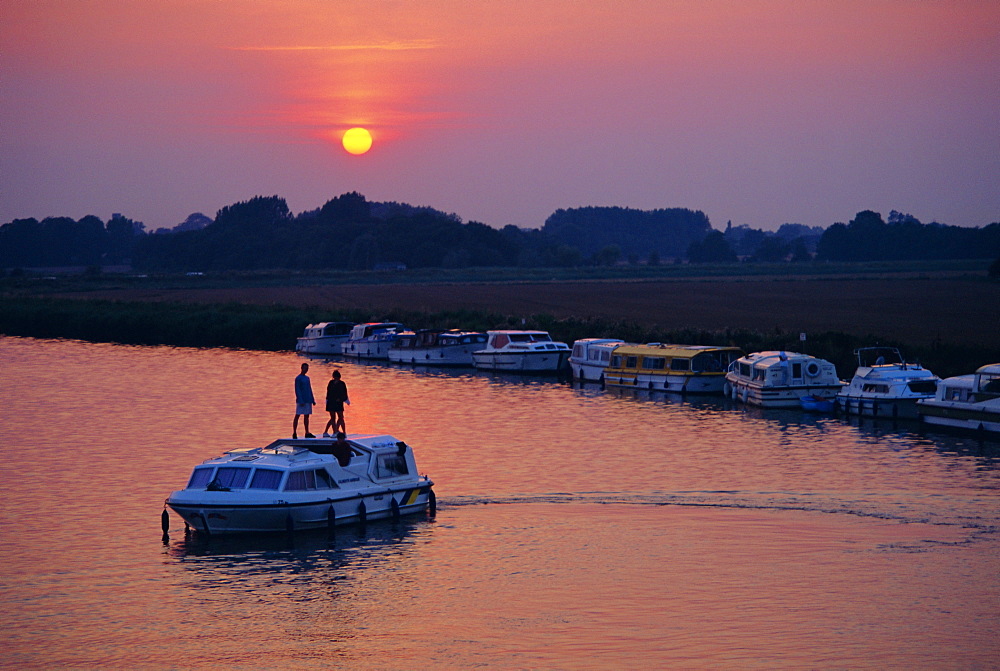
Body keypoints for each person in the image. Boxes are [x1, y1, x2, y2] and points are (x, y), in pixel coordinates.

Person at [323, 369, 351, 436]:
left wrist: (345, 399)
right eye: (335, 377)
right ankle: (334, 431)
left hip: (339, 402)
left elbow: (344, 393)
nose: (336, 379)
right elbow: (328, 393)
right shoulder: (331, 383)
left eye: (337, 377)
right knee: (333, 418)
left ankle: (342, 431)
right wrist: (327, 400)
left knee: (341, 417)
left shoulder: (342, 383)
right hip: (331, 402)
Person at [293, 363, 316, 439]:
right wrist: (300, 400)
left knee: (307, 416)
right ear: (301, 368)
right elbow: (297, 389)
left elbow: (310, 389)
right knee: (297, 415)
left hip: (308, 399)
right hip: (301, 400)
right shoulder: (298, 378)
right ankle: (294, 432)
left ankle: (307, 432)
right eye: (305, 368)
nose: (306, 370)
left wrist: (312, 399)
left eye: (307, 368)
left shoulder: (307, 378)